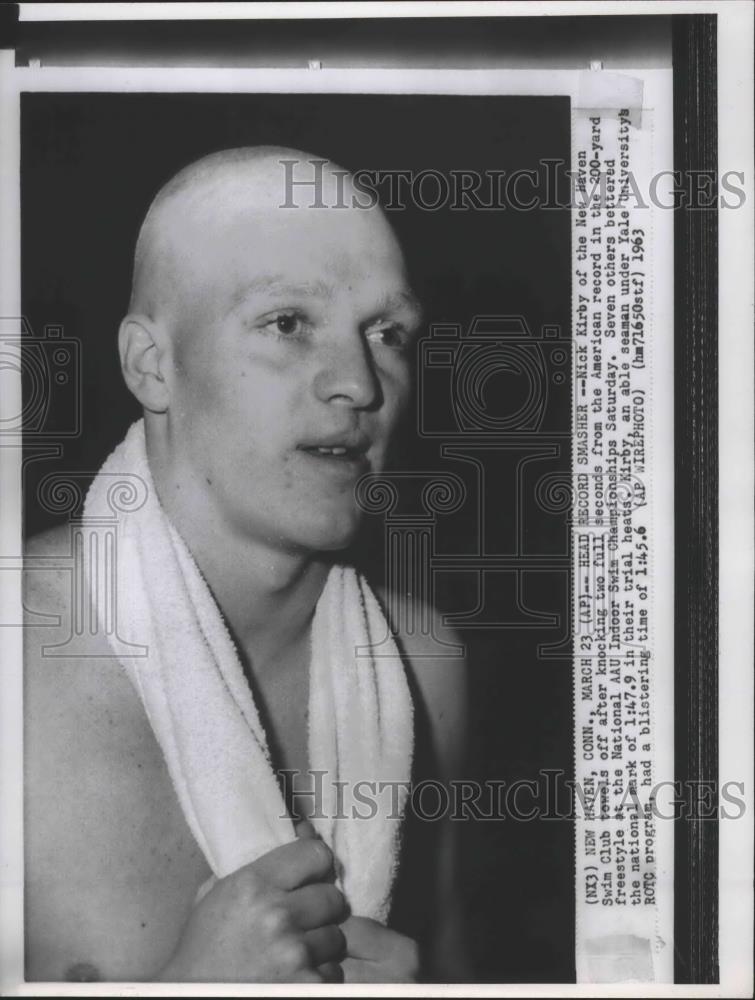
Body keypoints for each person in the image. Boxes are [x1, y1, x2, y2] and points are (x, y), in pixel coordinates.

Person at [23, 147, 467, 983]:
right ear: (153, 366)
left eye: (387, 333)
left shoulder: (425, 662)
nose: (359, 386)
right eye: (288, 323)